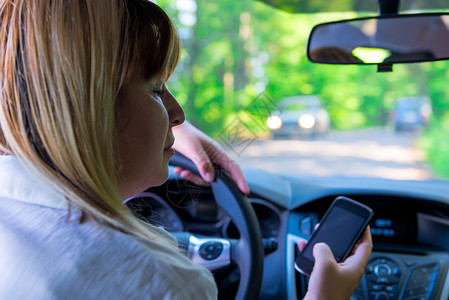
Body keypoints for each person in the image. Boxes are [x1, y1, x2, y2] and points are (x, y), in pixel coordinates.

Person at [0, 0, 371, 299]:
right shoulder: (160, 279)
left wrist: (163, 123)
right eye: (157, 90)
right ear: (92, 111)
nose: (178, 114)